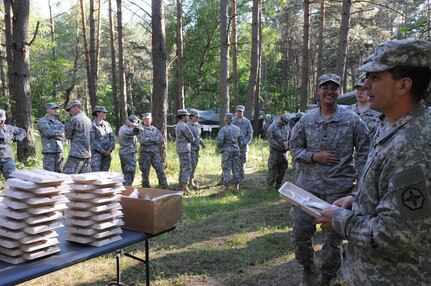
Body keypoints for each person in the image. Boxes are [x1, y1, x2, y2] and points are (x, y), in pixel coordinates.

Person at [316, 39, 431, 285]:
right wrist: (357, 200)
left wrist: (338, 219)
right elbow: (389, 192)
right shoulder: (390, 124)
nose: (366, 85)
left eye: (375, 78)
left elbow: (393, 235)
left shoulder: (414, 145)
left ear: (403, 85)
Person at [289, 73, 370, 285]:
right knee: (300, 233)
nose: (329, 91)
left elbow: (364, 151)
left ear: (339, 92)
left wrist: (359, 186)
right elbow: (294, 148)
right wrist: (314, 156)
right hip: (306, 190)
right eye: (325, 87)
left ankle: (326, 277)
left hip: (338, 191)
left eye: (334, 87)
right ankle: (307, 267)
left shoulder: (352, 120)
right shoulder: (307, 120)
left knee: (332, 240)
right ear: (318, 91)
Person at [138, 113, 168, 189]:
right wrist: (154, 139)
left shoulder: (155, 129)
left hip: (155, 153)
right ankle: (145, 187)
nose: (146, 121)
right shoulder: (140, 129)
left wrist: (150, 139)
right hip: (145, 153)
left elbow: (160, 139)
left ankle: (163, 185)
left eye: (148, 119)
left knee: (160, 169)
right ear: (143, 120)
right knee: (145, 171)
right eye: (145, 119)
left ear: (151, 120)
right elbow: (142, 140)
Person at [216, 113, 244, 193]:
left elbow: (220, 141)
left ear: (225, 120)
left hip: (227, 150)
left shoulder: (223, 129)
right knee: (236, 168)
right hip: (236, 150)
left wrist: (220, 148)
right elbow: (241, 141)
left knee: (226, 168)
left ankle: (226, 188)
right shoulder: (237, 129)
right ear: (232, 120)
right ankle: (236, 187)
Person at [63, 100, 92, 174]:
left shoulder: (75, 119)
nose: (69, 112)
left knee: (68, 177)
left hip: (76, 154)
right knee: (84, 179)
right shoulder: (88, 120)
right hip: (87, 154)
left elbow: (67, 135)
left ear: (76, 107)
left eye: (70, 109)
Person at [37, 102, 65, 173]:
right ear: (47, 110)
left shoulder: (58, 122)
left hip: (59, 150)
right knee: (49, 174)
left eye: (56, 108)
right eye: (53, 108)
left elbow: (64, 134)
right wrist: (59, 133)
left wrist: (57, 133)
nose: (55, 110)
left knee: (60, 173)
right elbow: (48, 133)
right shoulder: (42, 121)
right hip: (49, 151)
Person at [266, 114, 290, 190]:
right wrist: (279, 147)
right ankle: (270, 186)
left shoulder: (287, 127)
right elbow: (270, 140)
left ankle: (279, 184)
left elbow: (290, 137)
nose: (286, 123)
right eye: (285, 122)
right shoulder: (272, 127)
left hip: (284, 152)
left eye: (287, 122)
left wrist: (288, 146)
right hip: (275, 152)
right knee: (273, 168)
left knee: (283, 169)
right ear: (281, 120)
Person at [0, 109, 26, 179]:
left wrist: (15, 139)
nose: (0, 122)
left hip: (7, 158)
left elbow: (22, 132)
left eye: (2, 120)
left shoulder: (9, 128)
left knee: (14, 179)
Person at [175, 109, 195, 193]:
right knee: (187, 168)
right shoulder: (184, 126)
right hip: (185, 149)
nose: (188, 117)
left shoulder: (178, 125)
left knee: (182, 167)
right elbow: (191, 137)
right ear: (183, 116)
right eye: (187, 116)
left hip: (180, 148)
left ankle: (181, 185)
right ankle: (185, 187)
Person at [90, 106, 115, 172]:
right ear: (97, 113)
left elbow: (112, 138)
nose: (105, 114)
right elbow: (92, 141)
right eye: (103, 112)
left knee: (105, 173)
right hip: (96, 155)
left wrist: (110, 149)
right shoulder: (92, 125)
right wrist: (102, 151)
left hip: (107, 154)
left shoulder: (107, 124)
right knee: (96, 174)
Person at [118, 114, 141, 186]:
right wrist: (133, 125)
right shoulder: (125, 129)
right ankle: (127, 189)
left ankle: (125, 188)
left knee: (126, 173)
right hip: (127, 153)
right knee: (129, 172)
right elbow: (138, 130)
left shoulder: (125, 128)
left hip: (126, 152)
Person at [232, 105, 253, 179]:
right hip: (233, 144)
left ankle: (240, 176)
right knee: (232, 161)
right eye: (238, 111)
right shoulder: (232, 120)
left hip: (243, 145)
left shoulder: (247, 121)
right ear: (236, 111)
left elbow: (250, 133)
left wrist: (244, 142)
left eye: (241, 111)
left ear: (243, 112)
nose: (239, 112)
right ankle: (233, 176)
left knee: (242, 161)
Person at [187, 109, 206, 189]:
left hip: (196, 148)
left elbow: (198, 136)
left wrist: (202, 143)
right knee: (191, 165)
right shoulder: (187, 125)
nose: (198, 118)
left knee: (195, 164)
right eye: (196, 117)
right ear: (191, 117)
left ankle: (191, 179)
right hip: (190, 148)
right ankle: (188, 181)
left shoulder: (197, 125)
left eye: (198, 117)